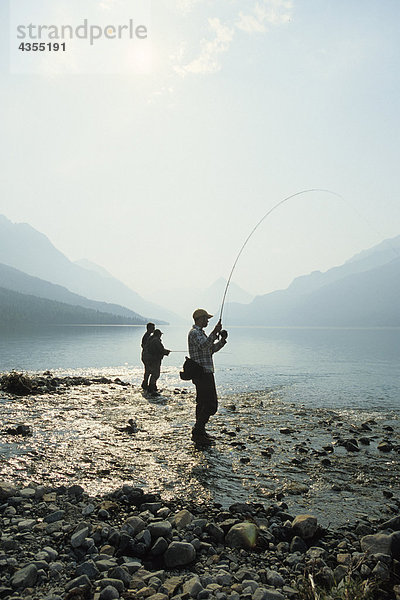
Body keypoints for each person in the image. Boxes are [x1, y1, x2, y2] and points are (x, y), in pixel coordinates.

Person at [188, 308, 228, 445]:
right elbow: (205, 346)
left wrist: (222, 340)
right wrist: (215, 332)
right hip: (202, 373)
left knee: (202, 403)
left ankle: (200, 431)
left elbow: (210, 350)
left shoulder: (201, 334)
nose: (208, 321)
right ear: (199, 319)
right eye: (206, 318)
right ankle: (198, 431)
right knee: (211, 404)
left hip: (205, 372)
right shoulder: (194, 333)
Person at [145, 329, 170, 396]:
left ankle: (151, 388)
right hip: (155, 359)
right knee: (156, 374)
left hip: (151, 359)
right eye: (160, 334)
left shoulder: (152, 339)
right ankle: (151, 388)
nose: (161, 336)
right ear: (158, 334)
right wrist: (166, 352)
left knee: (153, 373)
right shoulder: (156, 341)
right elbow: (160, 350)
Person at [141, 322, 155, 391]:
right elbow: (144, 346)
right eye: (153, 328)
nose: (153, 329)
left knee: (148, 370)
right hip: (146, 356)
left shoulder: (147, 335)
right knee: (148, 370)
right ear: (148, 328)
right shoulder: (147, 336)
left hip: (145, 355)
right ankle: (145, 384)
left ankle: (145, 384)